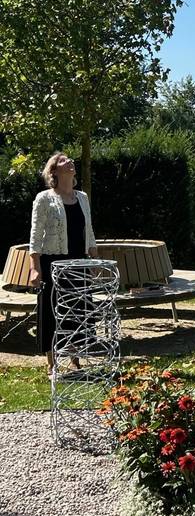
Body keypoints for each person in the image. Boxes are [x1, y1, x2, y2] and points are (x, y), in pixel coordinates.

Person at [28, 153, 98, 375]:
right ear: (54, 171)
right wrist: (34, 267)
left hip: (79, 263)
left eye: (70, 160)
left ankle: (75, 360)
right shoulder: (44, 198)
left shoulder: (83, 197)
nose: (70, 162)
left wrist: (94, 258)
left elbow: (89, 231)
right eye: (63, 161)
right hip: (54, 263)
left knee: (77, 311)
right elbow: (36, 235)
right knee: (53, 311)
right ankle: (52, 362)